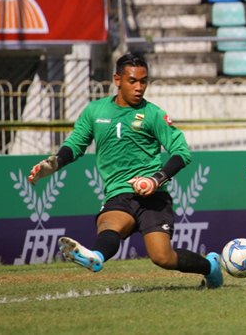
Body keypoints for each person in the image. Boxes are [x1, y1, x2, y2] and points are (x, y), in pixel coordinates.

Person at [27, 53, 223, 289]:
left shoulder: (153, 114)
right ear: (117, 79)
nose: (139, 87)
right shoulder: (95, 111)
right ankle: (96, 257)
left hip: (153, 198)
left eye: (144, 81)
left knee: (162, 257)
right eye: (133, 81)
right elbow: (75, 144)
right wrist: (55, 163)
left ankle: (211, 267)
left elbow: (182, 152)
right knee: (110, 226)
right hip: (119, 193)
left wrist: (156, 179)